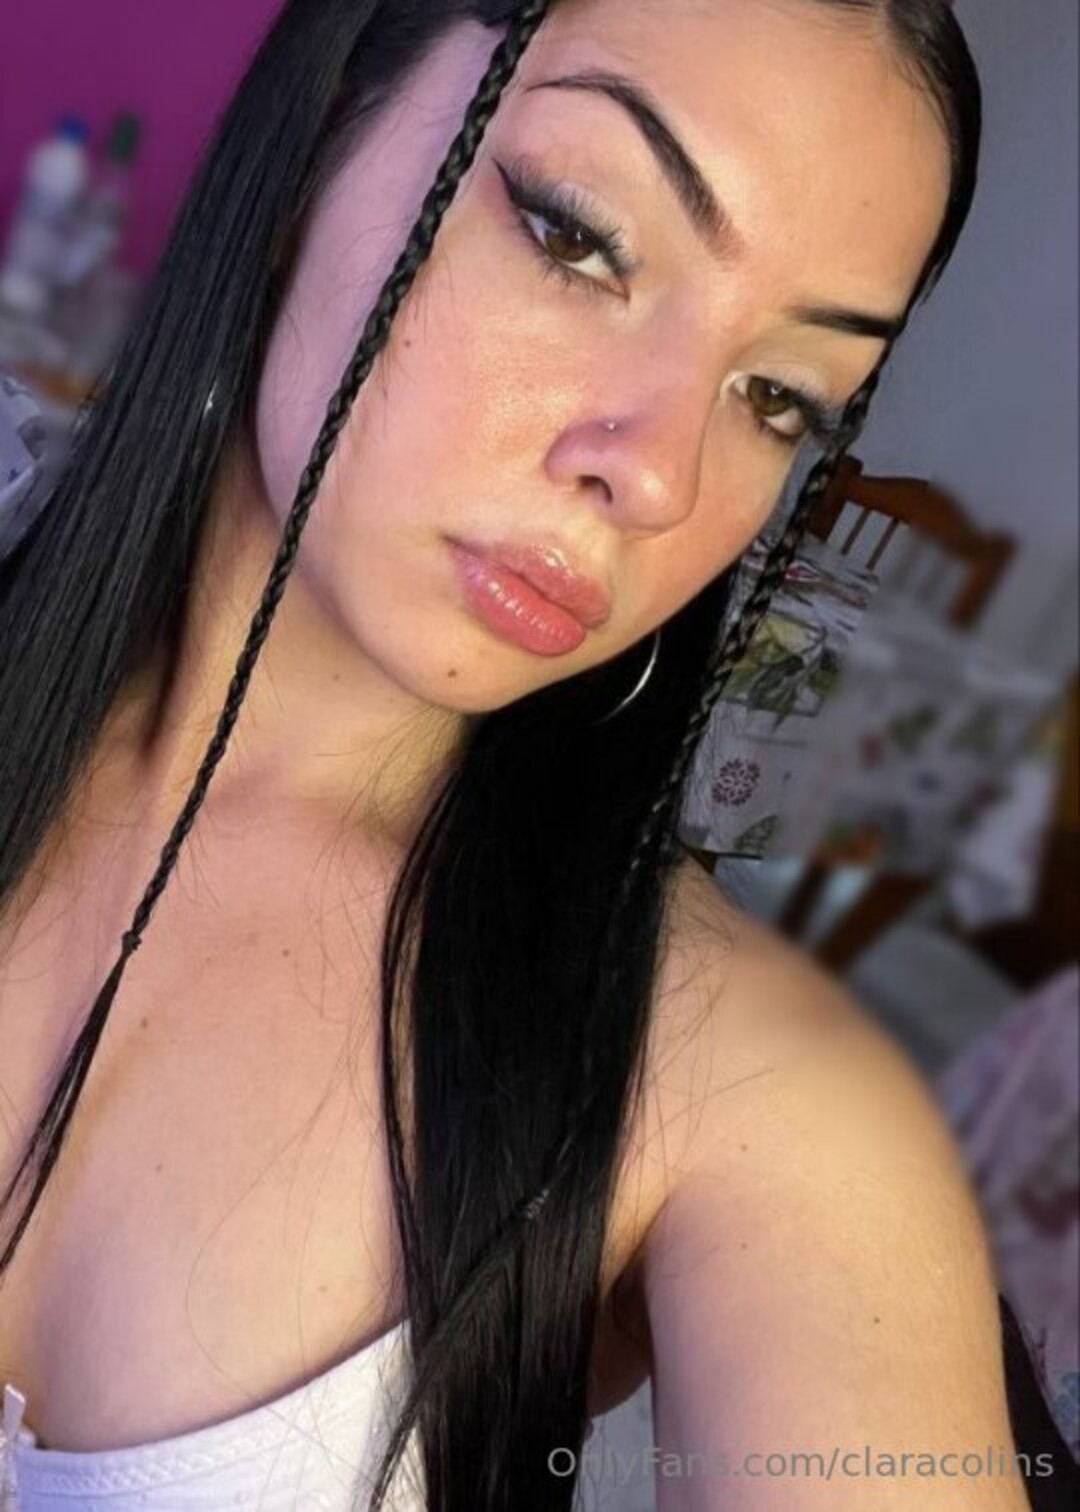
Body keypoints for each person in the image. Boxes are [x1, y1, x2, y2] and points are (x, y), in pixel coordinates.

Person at [0, 0, 1074, 1507]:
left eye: (781, 398)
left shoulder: (751, 1092)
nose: (662, 474)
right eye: (579, 236)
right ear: (318, 136)